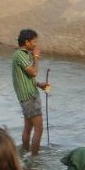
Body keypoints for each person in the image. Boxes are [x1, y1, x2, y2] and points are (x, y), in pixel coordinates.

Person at [12, 28, 50, 156]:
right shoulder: (21, 55)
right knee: (39, 129)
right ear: (27, 42)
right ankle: (34, 160)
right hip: (29, 97)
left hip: (27, 96)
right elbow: (33, 72)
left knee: (28, 128)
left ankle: (25, 154)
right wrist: (37, 57)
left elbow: (26, 77)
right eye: (34, 42)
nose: (35, 44)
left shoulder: (21, 54)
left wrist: (39, 84)